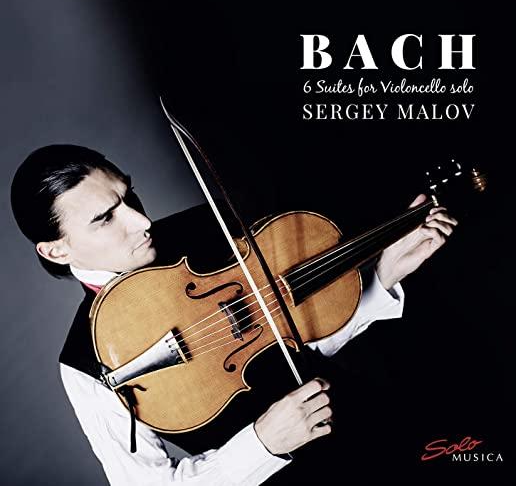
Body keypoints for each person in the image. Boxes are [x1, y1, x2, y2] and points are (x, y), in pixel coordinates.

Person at [10, 144, 457, 485]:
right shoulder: (85, 362)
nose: (141, 222)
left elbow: (292, 337)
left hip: (378, 431)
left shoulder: (208, 226)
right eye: (105, 219)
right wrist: (263, 444)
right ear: (56, 250)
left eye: (130, 196)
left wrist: (382, 277)